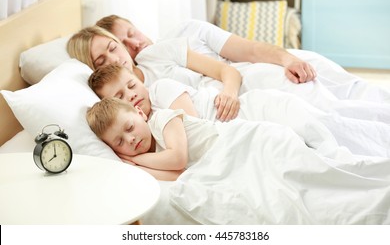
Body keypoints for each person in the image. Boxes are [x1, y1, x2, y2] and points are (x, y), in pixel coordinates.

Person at [86, 97, 390, 224]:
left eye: (129, 128)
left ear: (139, 114)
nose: (131, 140)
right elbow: (177, 177)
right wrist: (138, 168)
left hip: (249, 143)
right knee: (280, 203)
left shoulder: (162, 120)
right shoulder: (147, 156)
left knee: (309, 175)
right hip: (225, 163)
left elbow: (178, 159)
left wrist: (137, 163)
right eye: (120, 143)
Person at [68, 25, 390, 124]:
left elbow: (234, 62)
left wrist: (286, 57)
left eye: (116, 44)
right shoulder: (129, 97)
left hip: (247, 82)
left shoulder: (166, 47)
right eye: (103, 58)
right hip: (235, 107)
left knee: (338, 103)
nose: (123, 51)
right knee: (326, 119)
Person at [88, 64, 390, 157]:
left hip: (259, 108)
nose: (132, 95)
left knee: (327, 129)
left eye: (130, 85)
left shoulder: (161, 90)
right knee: (317, 140)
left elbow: (195, 125)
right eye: (121, 96)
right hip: (250, 122)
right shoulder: (145, 123)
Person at [96, 15, 390, 104]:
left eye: (131, 33)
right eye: (124, 44)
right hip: (250, 91)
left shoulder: (186, 31)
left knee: (358, 92)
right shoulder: (145, 83)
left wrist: (287, 59)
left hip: (269, 65)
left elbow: (248, 50)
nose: (134, 44)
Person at [67, 25, 241, 121]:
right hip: (216, 124)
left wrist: (229, 94)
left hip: (233, 99)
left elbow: (227, 70)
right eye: (101, 61)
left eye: (113, 48)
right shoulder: (127, 104)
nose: (114, 60)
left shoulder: (156, 54)